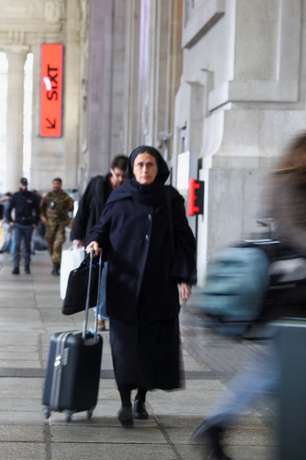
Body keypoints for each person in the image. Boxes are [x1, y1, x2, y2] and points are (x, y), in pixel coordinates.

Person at [191, 128, 306, 460]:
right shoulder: (286, 181)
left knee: (279, 370)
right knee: (274, 369)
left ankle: (231, 428)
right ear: (302, 153)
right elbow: (292, 231)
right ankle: (218, 426)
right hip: (285, 290)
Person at [86, 145, 197, 428]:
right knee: (123, 348)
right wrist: (96, 242)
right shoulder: (120, 197)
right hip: (123, 286)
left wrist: (184, 277)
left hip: (158, 289)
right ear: (132, 169)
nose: (145, 170)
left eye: (149, 165)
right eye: (139, 165)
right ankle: (125, 400)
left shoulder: (170, 200)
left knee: (150, 347)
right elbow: (102, 227)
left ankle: (141, 399)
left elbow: (184, 239)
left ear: (158, 167)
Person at [71, 154, 128, 330]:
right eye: (117, 175)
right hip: (96, 240)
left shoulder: (128, 189)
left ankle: (104, 314)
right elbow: (83, 210)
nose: (119, 180)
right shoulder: (97, 185)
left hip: (118, 242)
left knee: (111, 280)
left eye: (123, 176)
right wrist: (77, 235)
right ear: (111, 171)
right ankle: (100, 316)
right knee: (99, 278)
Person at [5, 178, 41, 274]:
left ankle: (27, 266)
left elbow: (38, 211)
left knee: (27, 246)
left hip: (29, 225)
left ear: (27, 184)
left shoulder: (32, 196)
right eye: (22, 184)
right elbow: (8, 209)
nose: (24, 186)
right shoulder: (16, 196)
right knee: (16, 245)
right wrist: (10, 221)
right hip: (18, 225)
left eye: (25, 184)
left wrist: (35, 223)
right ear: (20, 185)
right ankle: (16, 267)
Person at [40, 177, 74, 276]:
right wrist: (43, 217)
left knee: (57, 245)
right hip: (50, 225)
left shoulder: (65, 196)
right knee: (50, 245)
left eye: (57, 184)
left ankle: (56, 267)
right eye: (54, 184)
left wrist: (68, 218)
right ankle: (55, 262)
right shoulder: (48, 196)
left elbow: (71, 208)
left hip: (60, 225)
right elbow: (41, 208)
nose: (56, 185)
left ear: (60, 185)